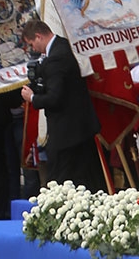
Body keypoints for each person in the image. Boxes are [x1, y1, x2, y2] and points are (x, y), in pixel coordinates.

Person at [20, 19, 104, 191]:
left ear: (38, 36)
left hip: (67, 133)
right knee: (87, 180)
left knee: (59, 182)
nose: (33, 49)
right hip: (81, 128)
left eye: (32, 44)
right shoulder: (64, 45)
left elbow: (54, 98)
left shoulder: (55, 59)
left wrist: (32, 98)